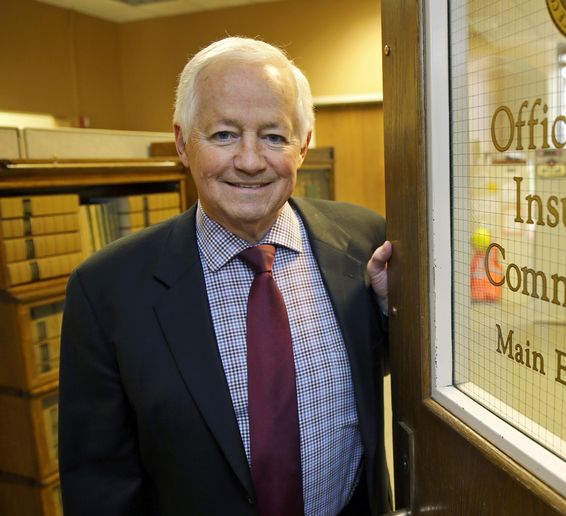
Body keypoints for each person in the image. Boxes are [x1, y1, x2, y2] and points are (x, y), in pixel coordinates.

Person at [58, 37, 393, 516]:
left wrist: (387, 314)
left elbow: (375, 366)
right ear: (182, 143)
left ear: (304, 145)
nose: (251, 160)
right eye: (224, 135)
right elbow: (99, 482)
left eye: (274, 136)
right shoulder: (106, 291)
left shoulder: (362, 239)